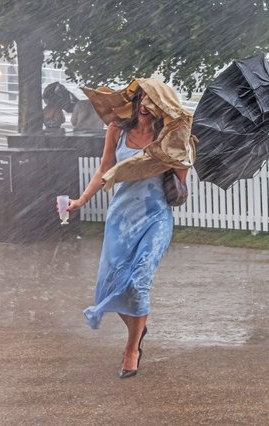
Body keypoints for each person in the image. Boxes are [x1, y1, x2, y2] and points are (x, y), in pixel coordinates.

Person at [66, 83, 190, 379]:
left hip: (155, 217)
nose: (146, 106)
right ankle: (138, 324)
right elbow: (104, 169)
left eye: (154, 102)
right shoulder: (117, 130)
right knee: (112, 285)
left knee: (138, 282)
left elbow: (182, 185)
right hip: (120, 220)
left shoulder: (170, 138)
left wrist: (180, 152)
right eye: (143, 100)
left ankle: (131, 349)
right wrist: (81, 200)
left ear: (165, 108)